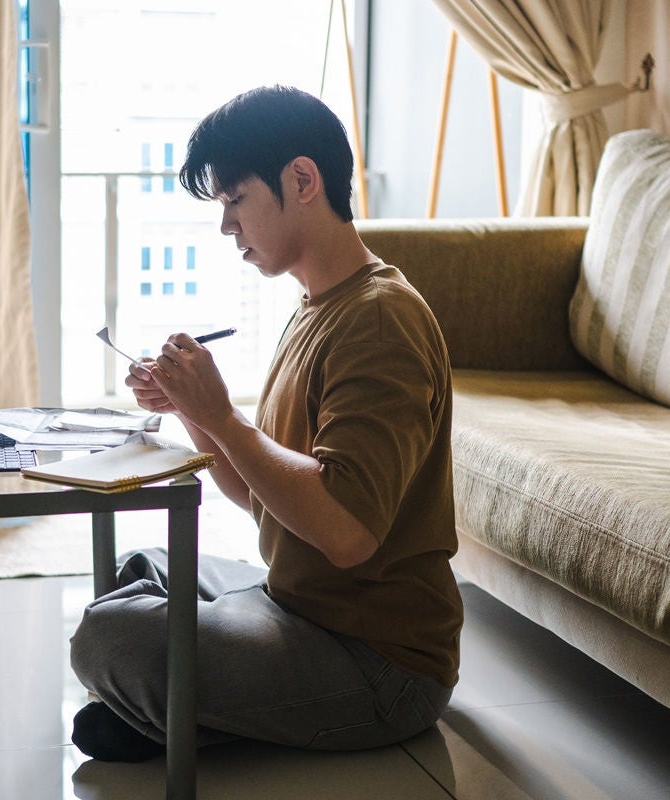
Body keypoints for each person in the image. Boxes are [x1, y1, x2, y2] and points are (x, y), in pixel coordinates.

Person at [68, 85, 463, 762]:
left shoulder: (379, 319)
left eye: (233, 200)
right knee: (143, 565)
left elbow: (345, 532)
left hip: (379, 662)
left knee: (108, 639)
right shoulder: (317, 305)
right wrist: (194, 413)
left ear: (302, 180)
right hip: (298, 606)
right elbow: (259, 497)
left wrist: (222, 412)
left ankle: (190, 716)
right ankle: (199, 714)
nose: (226, 227)